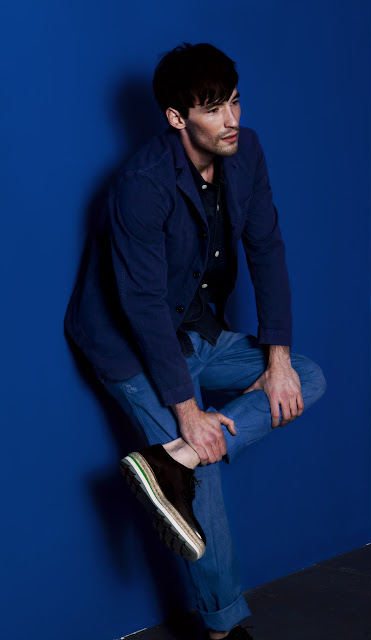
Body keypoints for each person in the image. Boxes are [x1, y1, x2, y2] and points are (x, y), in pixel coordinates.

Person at [65, 42, 326, 640]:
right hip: (129, 342)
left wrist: (278, 360)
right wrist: (190, 414)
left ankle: (169, 464)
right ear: (177, 118)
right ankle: (224, 629)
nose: (231, 119)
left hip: (199, 329)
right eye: (213, 109)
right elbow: (141, 307)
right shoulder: (142, 185)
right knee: (203, 469)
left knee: (305, 377)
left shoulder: (246, 150)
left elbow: (266, 248)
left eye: (234, 101)